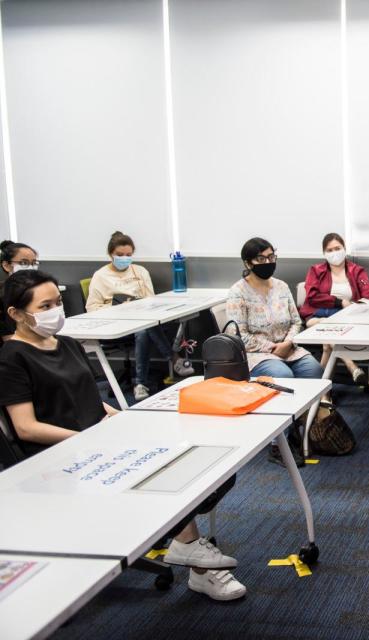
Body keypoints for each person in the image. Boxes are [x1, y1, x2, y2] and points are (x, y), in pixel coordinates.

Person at [0, 270, 246, 601]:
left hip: (99, 438)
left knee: (205, 465)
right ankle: (195, 560)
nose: (56, 310)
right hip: (60, 456)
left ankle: (184, 544)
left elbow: (89, 397)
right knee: (164, 475)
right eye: (45, 306)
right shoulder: (12, 358)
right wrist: (87, 439)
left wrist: (124, 419)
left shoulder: (69, 344)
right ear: (16, 314)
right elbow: (26, 427)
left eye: (58, 302)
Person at [226, 237, 324, 466]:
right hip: (257, 353)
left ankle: (296, 429)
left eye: (271, 257)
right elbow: (237, 333)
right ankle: (276, 445)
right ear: (248, 263)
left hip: (289, 348)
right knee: (283, 377)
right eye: (261, 258)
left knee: (314, 370)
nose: (268, 262)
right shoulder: (237, 292)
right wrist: (272, 348)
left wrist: (288, 343)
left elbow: (296, 321)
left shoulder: (281, 286)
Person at [86, 232, 194, 401]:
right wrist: (117, 308)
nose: (125, 258)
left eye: (128, 255)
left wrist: (138, 305)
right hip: (116, 324)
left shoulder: (140, 271)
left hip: (143, 320)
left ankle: (140, 384)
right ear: (110, 255)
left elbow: (151, 300)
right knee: (145, 329)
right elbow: (91, 308)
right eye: (120, 255)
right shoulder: (100, 276)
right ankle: (173, 359)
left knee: (144, 329)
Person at [299, 233, 369, 384]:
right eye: (330, 250)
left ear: (344, 249)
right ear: (324, 253)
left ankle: (321, 393)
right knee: (328, 328)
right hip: (316, 315)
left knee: (328, 345)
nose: (334, 253)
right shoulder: (316, 270)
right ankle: (351, 366)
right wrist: (340, 302)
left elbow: (367, 290)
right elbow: (312, 297)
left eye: (337, 248)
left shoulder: (356, 270)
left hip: (344, 317)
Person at [1, 240, 40, 341]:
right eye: (23, 263)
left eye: (34, 263)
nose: (31, 267)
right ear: (6, 265)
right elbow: (4, 336)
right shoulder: (3, 294)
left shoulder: (39, 290)